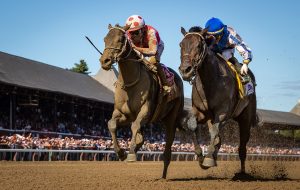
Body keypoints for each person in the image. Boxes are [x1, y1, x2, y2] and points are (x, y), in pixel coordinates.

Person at [125, 14, 171, 93]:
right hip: (140, 46)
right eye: (131, 33)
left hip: (156, 47)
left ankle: (165, 84)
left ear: (142, 29)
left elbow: (153, 51)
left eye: (136, 32)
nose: (133, 35)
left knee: (153, 61)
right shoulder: (127, 34)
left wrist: (135, 48)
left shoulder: (151, 32)